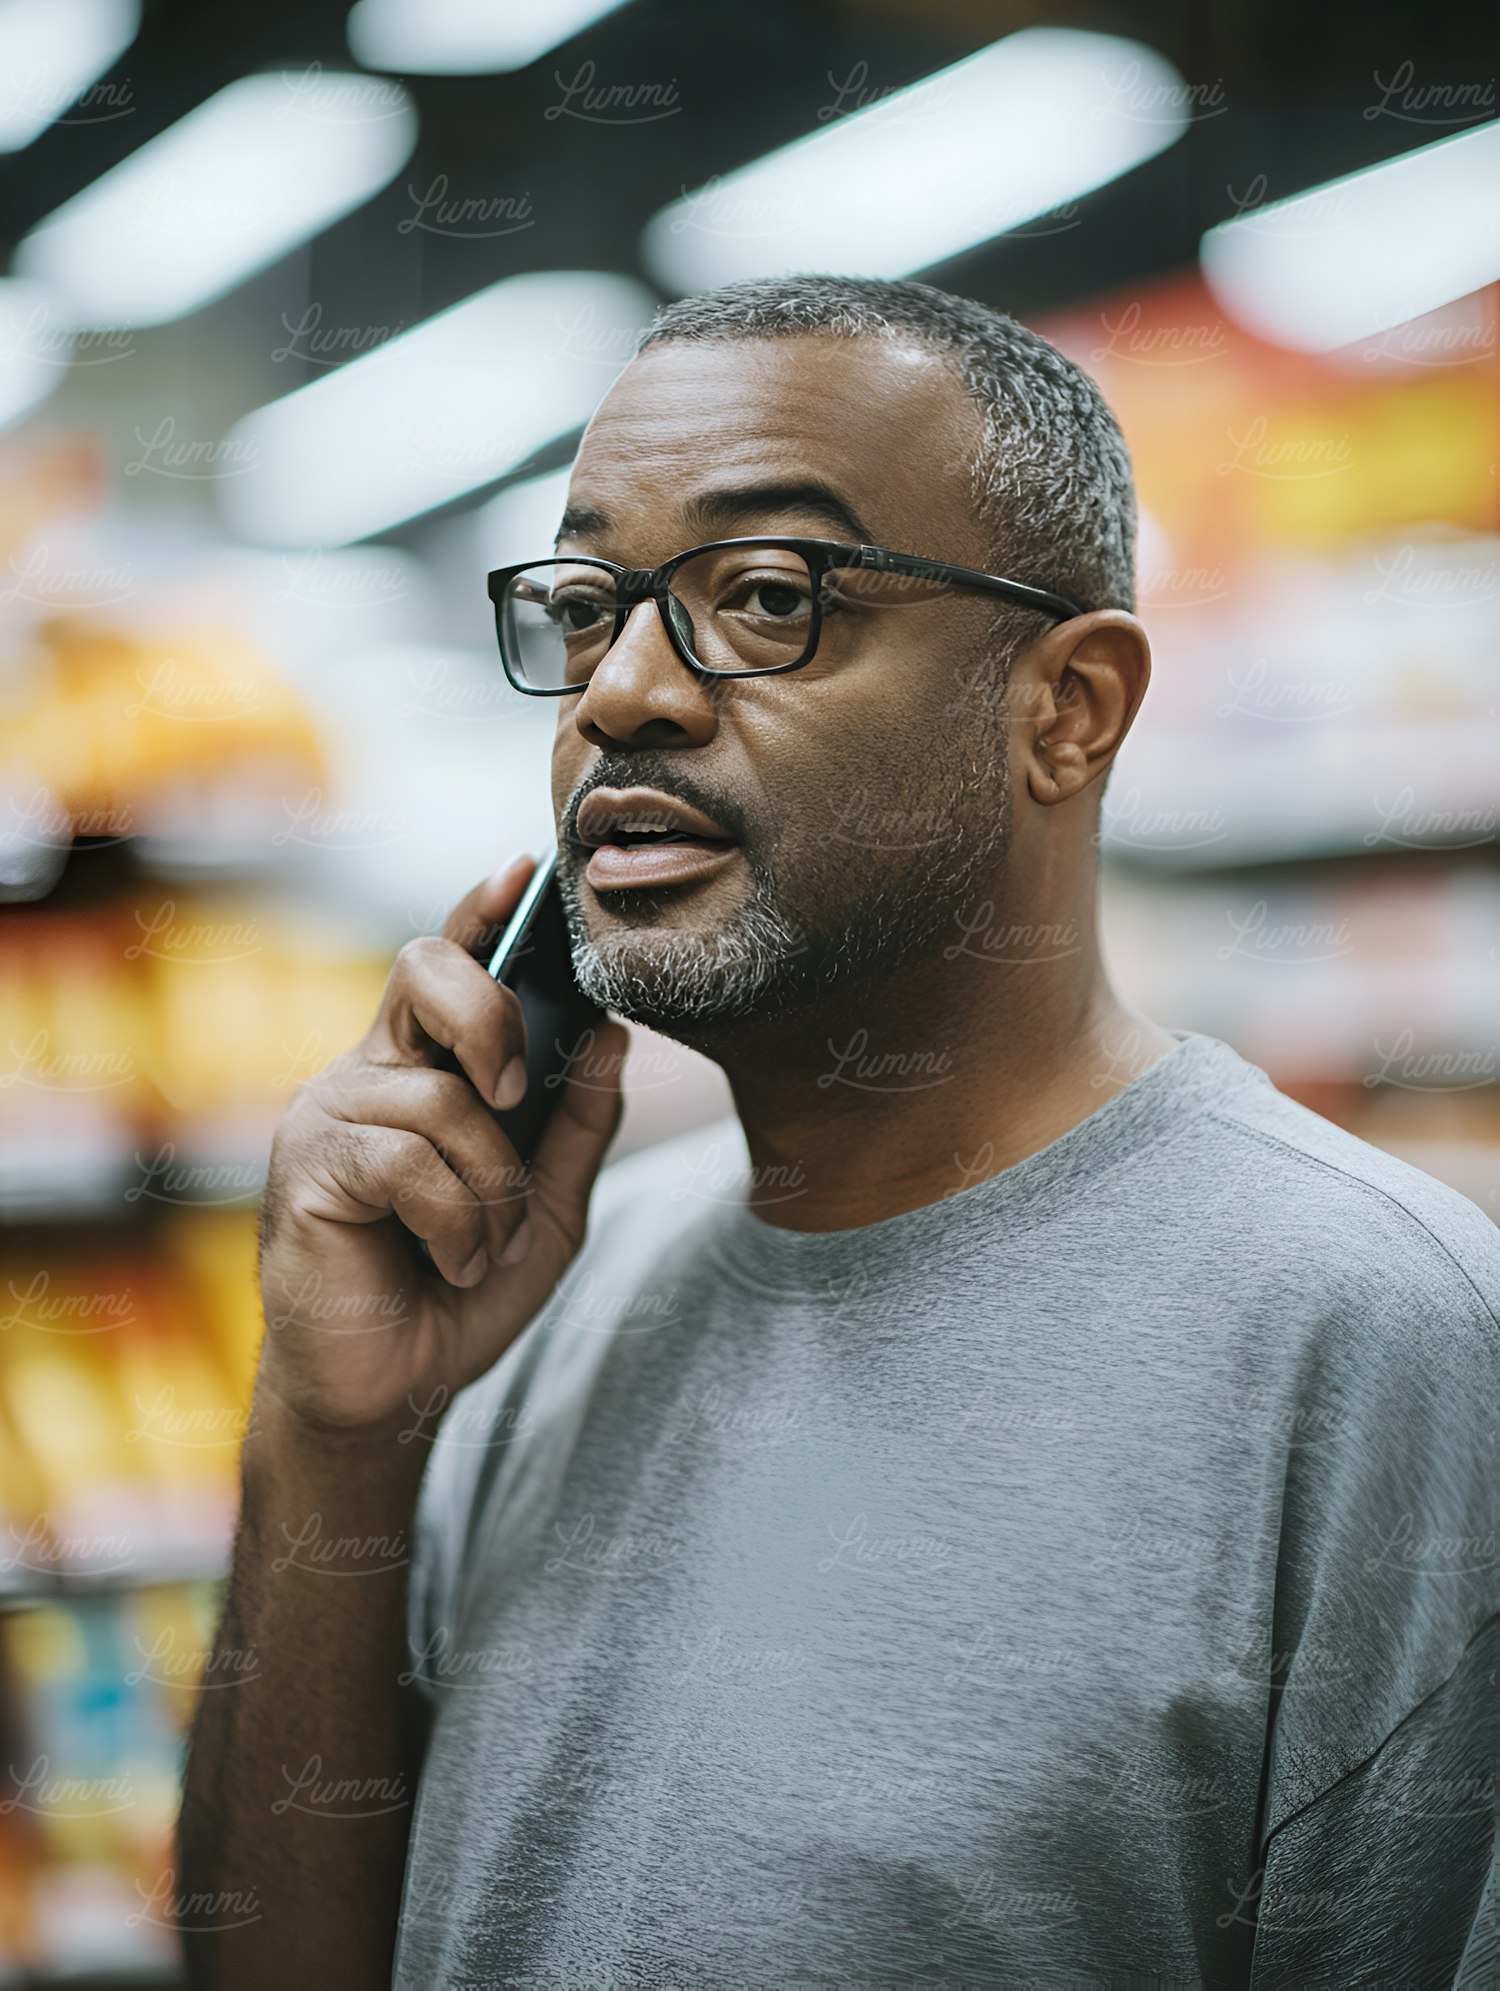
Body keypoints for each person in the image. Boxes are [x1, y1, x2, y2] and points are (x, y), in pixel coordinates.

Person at [178, 275, 1498, 1988]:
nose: (621, 696)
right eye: (590, 606)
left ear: (1069, 710)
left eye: (769, 594)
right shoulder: (529, 1300)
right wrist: (328, 1435)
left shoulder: (1386, 1341)